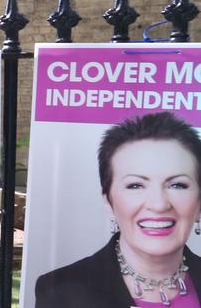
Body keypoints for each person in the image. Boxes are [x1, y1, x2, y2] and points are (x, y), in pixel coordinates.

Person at [36, 111, 201, 308]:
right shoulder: (59, 291)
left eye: (177, 185)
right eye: (135, 185)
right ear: (108, 201)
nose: (159, 204)